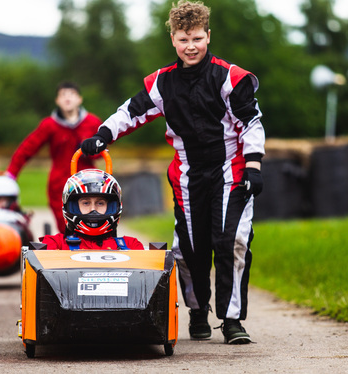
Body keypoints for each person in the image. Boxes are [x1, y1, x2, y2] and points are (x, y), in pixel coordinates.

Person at [81, 0, 264, 345]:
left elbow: (251, 123)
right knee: (188, 250)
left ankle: (232, 320)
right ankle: (198, 311)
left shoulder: (229, 78)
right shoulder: (161, 84)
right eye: (183, 40)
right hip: (187, 175)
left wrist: (254, 165)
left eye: (197, 38)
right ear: (173, 41)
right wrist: (101, 135)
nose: (191, 46)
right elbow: (129, 112)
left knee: (233, 241)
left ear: (208, 36)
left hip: (232, 171)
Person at [6, 81, 102, 233]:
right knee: (67, 229)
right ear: (57, 101)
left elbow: (102, 151)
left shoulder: (92, 122)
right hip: (60, 184)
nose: (67, 98)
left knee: (93, 224)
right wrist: (11, 174)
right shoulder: (49, 125)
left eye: (71, 94)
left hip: (89, 182)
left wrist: (88, 149)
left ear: (79, 99)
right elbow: (27, 148)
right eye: (63, 95)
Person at [40, 168, 144, 250]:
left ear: (111, 207)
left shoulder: (131, 245)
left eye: (100, 203)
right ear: (73, 206)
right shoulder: (56, 244)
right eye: (86, 203)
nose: (93, 209)